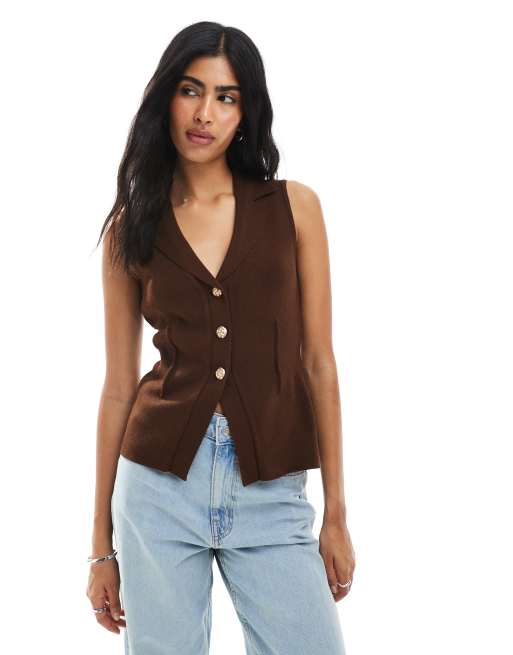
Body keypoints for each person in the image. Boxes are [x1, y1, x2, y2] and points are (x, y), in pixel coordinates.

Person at [86, 20, 355, 655]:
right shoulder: (131, 227)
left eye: (226, 97)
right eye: (190, 90)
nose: (205, 113)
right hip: (157, 492)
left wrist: (336, 514)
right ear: (166, 98)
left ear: (246, 112)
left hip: (272, 492)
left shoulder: (294, 208)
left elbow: (318, 362)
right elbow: (119, 387)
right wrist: (100, 547)